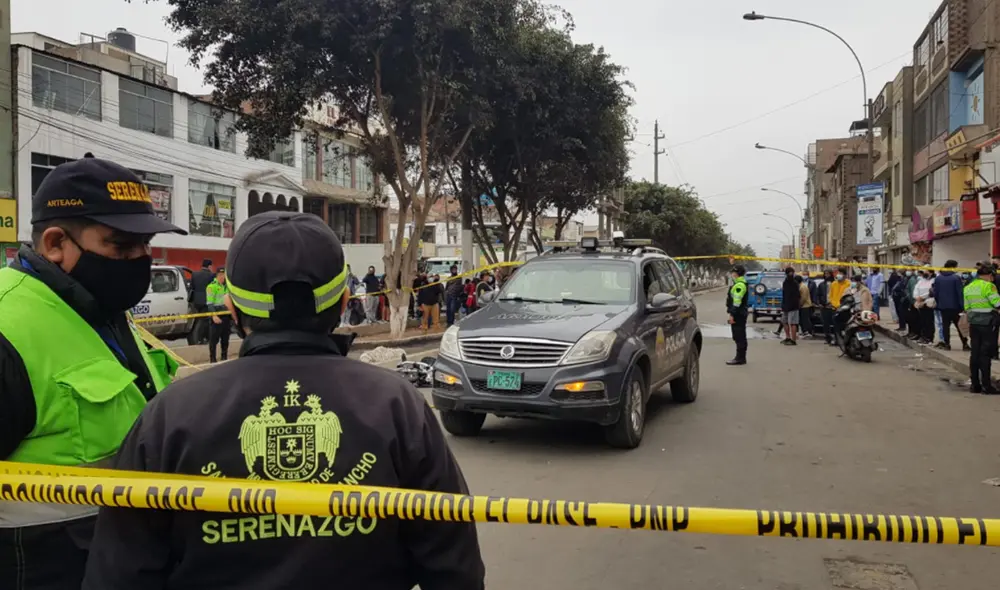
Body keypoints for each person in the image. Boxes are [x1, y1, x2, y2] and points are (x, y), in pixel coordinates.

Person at [82, 210, 486, 589]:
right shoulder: (397, 405)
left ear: (231, 308)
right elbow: (454, 566)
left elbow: (120, 573)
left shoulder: (170, 414)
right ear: (344, 302)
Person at [0, 154, 185, 589]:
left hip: (120, 559)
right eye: (122, 246)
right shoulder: (8, 326)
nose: (140, 260)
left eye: (146, 245)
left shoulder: (100, 309)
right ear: (55, 244)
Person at [963, 263, 1000, 394]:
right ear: (989, 275)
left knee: (975, 353)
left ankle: (975, 384)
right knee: (985, 354)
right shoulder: (989, 286)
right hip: (987, 323)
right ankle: (986, 385)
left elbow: (967, 307)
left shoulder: (968, 287)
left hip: (974, 323)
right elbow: (997, 303)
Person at [933, 260, 968, 351]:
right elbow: (959, 293)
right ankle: (964, 344)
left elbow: (935, 293)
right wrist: (963, 306)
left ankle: (947, 344)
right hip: (955, 307)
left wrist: (939, 303)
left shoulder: (938, 278)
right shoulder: (956, 278)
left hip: (943, 306)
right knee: (959, 325)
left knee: (945, 326)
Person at [207, 267, 231, 363]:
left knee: (225, 339)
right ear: (216, 276)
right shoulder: (211, 286)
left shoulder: (227, 287)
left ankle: (224, 357)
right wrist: (214, 316)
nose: (222, 277)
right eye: (220, 275)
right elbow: (209, 304)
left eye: (223, 275)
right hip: (216, 314)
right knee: (214, 339)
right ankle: (212, 359)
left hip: (226, 315)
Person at [726, 265, 749, 365]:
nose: (732, 274)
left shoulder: (739, 285)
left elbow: (736, 302)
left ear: (737, 273)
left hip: (738, 314)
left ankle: (740, 358)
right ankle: (741, 357)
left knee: (739, 336)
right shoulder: (739, 283)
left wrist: (732, 314)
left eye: (733, 272)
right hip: (740, 313)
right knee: (740, 336)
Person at [189, 258, 214, 344]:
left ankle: (203, 338)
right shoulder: (211, 275)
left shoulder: (194, 274)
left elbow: (192, 287)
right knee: (204, 321)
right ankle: (201, 338)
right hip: (206, 301)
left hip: (196, 301)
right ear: (209, 266)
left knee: (200, 319)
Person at [913, 268, 935, 344]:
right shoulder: (921, 281)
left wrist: (922, 297)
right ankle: (923, 336)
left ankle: (929, 337)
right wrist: (917, 297)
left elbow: (931, 291)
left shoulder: (933, 281)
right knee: (922, 321)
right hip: (920, 303)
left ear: (931, 273)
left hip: (928, 302)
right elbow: (916, 289)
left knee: (929, 321)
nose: (924, 273)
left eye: (926, 271)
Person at [780, 266, 800, 345]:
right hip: (786, 305)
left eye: (792, 273)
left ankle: (793, 340)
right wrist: (783, 305)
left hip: (793, 306)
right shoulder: (785, 282)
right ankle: (788, 337)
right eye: (789, 273)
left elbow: (797, 295)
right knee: (784, 321)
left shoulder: (795, 283)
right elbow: (784, 294)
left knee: (793, 323)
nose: (791, 274)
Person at [816, 270, 834, 344]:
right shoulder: (821, 285)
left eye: (828, 274)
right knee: (825, 323)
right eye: (825, 274)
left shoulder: (835, 284)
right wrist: (819, 303)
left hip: (833, 306)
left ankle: (836, 338)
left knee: (835, 323)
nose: (826, 275)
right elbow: (818, 295)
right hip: (824, 306)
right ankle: (828, 338)